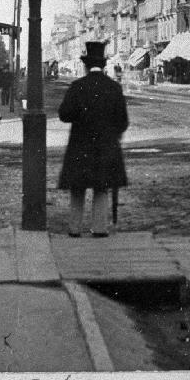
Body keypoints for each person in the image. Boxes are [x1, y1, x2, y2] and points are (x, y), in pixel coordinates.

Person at [58, 41, 129, 237]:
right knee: (101, 187)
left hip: (80, 146)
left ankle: (74, 228)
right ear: (104, 65)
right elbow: (123, 121)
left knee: (77, 187)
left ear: (85, 65)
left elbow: (64, 115)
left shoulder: (77, 86)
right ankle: (99, 228)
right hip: (106, 146)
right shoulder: (114, 88)